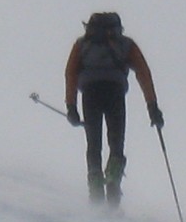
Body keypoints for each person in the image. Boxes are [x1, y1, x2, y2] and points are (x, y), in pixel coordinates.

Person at [64, 12, 164, 207]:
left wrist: (71, 106)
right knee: (116, 142)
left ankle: (95, 192)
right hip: (114, 92)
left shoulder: (82, 44)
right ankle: (113, 184)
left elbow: (70, 73)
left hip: (90, 94)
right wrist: (152, 107)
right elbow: (143, 73)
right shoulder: (125, 45)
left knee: (94, 143)